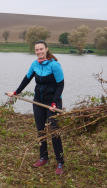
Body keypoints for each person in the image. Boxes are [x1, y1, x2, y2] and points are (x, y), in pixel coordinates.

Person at [7, 40, 65, 174]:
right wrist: (16, 92)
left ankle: (60, 162)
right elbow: (26, 79)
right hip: (38, 101)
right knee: (40, 130)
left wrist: (55, 103)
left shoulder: (54, 65)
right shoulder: (35, 64)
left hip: (52, 103)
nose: (39, 52)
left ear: (46, 49)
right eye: (36, 50)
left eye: (41, 49)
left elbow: (61, 85)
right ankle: (44, 157)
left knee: (53, 131)